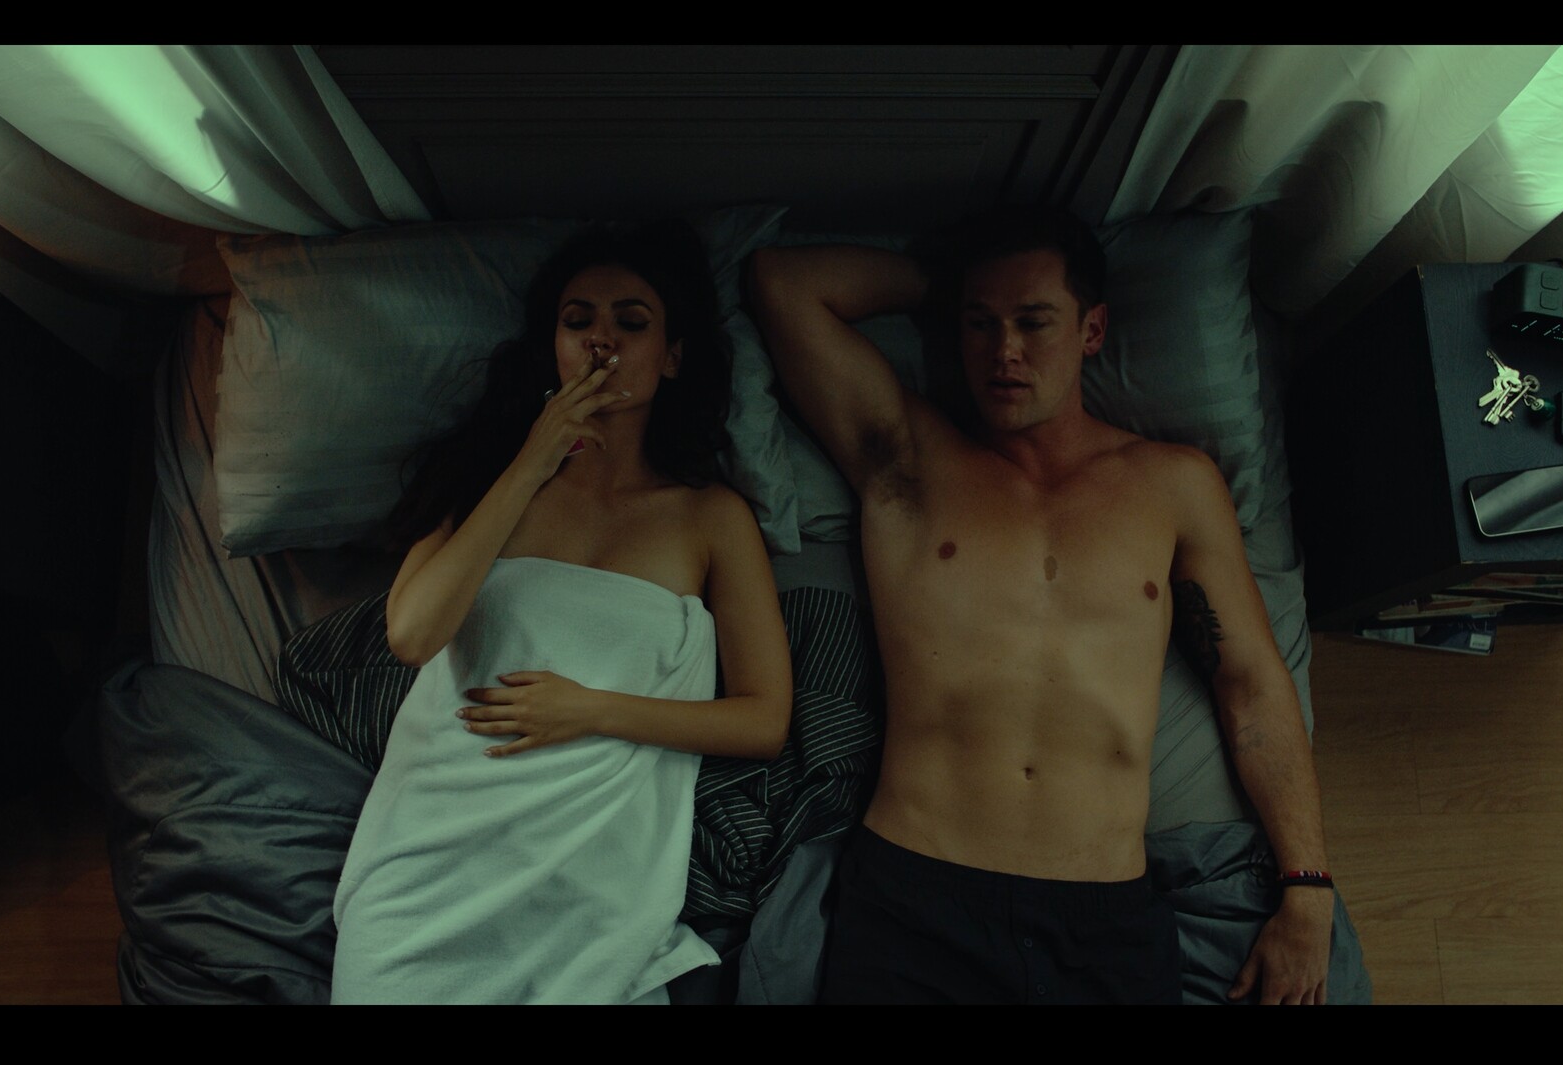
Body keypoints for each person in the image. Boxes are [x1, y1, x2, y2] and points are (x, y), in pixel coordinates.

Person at [747, 207, 1333, 1005]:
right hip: (916, 898)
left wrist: (1307, 887)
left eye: (1033, 322)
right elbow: (782, 284)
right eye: (981, 325)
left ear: (1093, 330)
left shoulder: (1174, 486)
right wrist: (947, 289)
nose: (1004, 352)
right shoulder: (909, 459)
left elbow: (1253, 682)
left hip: (1102, 920)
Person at [331, 223, 793, 1005]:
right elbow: (411, 636)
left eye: (631, 322)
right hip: (431, 864)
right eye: (578, 322)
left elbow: (763, 721)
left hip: (589, 887)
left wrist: (592, 711)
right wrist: (530, 464)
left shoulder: (710, 517)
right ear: (551, 349)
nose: (601, 340)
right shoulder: (481, 480)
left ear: (672, 357)